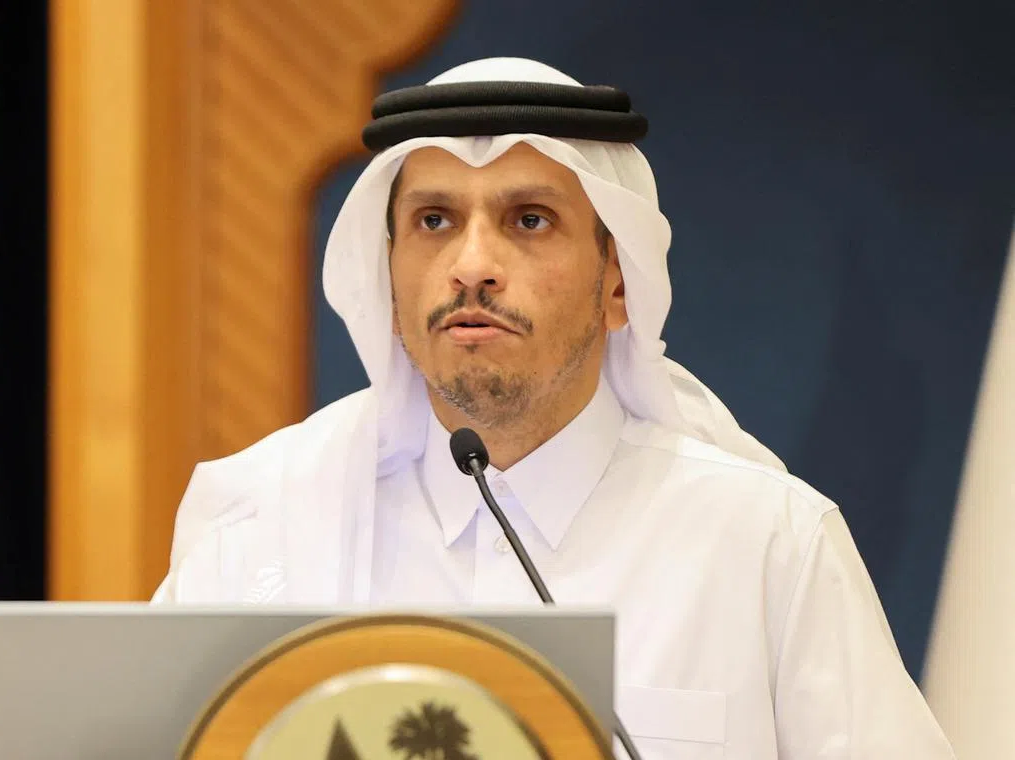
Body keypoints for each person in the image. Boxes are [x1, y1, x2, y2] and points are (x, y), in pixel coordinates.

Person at [151, 57, 955, 758]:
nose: (471, 266)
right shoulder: (257, 520)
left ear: (617, 283)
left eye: (528, 221)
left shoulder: (765, 546)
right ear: (387, 277)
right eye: (433, 221)